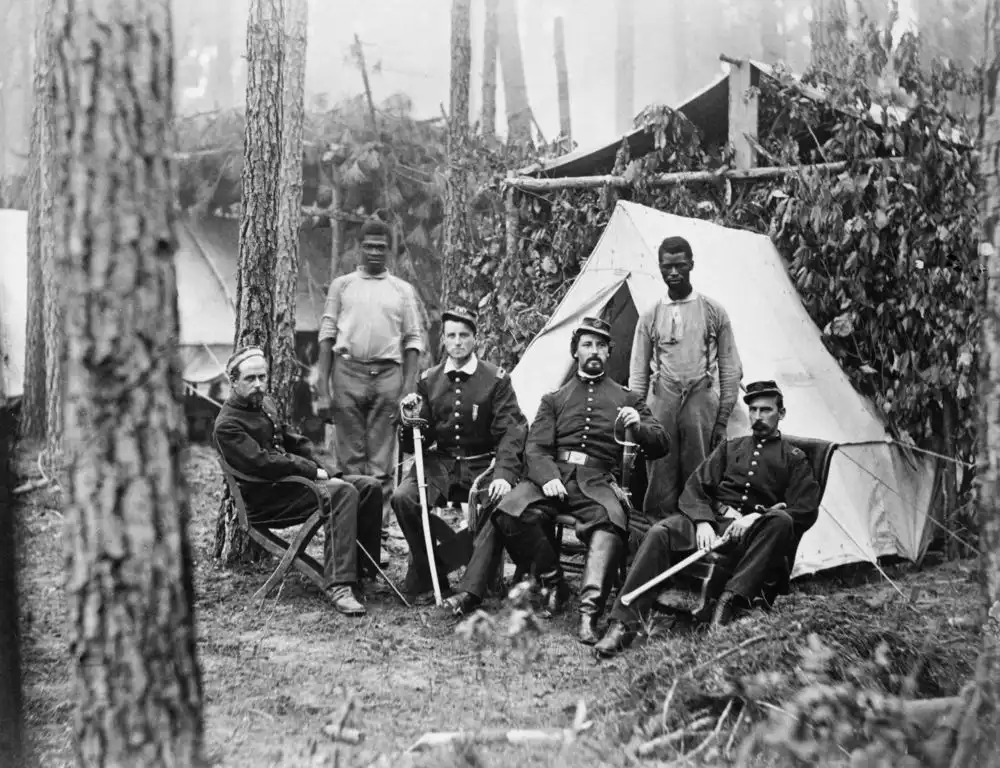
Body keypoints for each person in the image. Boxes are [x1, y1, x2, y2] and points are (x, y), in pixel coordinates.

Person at [595, 380, 822, 656]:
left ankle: (729, 600)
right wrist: (703, 521)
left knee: (782, 522)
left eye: (766, 410)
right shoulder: (731, 448)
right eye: (753, 410)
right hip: (713, 525)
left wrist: (757, 517)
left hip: (754, 539)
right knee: (661, 532)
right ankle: (622, 623)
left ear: (781, 414)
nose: (758, 417)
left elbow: (805, 509)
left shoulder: (794, 459)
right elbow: (695, 487)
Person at [494, 317, 670, 644]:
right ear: (575, 350)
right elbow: (536, 447)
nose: (594, 351)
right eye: (587, 344)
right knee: (510, 511)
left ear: (608, 353)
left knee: (610, 523)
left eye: (601, 345)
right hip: (556, 477)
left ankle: (589, 613)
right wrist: (547, 477)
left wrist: (640, 427)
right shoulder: (554, 399)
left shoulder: (627, 398)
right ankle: (553, 581)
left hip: (598, 482)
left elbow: (661, 443)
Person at [215, 346, 383, 617]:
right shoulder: (228, 424)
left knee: (368, 487)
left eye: (262, 376)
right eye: (250, 379)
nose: (258, 384)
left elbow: (295, 443)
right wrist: (311, 472)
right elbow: (263, 463)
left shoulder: (265, 404)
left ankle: (364, 572)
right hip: (267, 500)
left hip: (288, 485)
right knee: (342, 494)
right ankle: (339, 585)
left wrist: (329, 471)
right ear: (233, 382)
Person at [393, 306, 527, 610]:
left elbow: (513, 432)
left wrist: (504, 475)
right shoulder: (428, 379)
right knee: (403, 498)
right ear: (443, 340)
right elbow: (418, 439)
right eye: (451, 336)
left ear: (475, 339)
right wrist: (408, 417)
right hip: (439, 465)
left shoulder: (495, 379)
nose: (457, 342)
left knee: (496, 502)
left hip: (482, 464)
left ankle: (471, 590)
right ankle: (432, 577)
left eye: (464, 335)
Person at [315, 218, 425, 528]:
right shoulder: (343, 285)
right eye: (369, 246)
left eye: (381, 247)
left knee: (380, 463)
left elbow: (413, 342)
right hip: (347, 374)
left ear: (390, 251)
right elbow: (326, 336)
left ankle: (378, 534)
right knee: (349, 461)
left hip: (388, 377)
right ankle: (349, 531)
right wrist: (323, 391)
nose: (375, 252)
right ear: (358, 248)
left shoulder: (402, 290)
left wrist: (407, 389)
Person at [629, 235, 743, 519]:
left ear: (691, 264)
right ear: (659, 267)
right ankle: (658, 537)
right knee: (660, 473)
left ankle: (698, 539)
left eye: (680, 265)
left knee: (700, 471)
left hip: (700, 400)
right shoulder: (650, 316)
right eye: (667, 267)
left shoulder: (714, 311)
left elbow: (730, 368)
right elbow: (638, 373)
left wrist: (722, 416)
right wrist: (642, 418)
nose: (674, 273)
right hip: (661, 402)